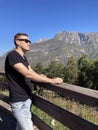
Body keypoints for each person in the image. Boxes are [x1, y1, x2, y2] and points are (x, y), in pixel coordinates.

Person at [5, 33, 63, 130]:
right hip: (19, 101)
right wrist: (51, 80)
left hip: (26, 98)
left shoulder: (23, 57)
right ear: (17, 42)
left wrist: (40, 76)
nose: (29, 43)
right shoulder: (12, 56)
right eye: (26, 41)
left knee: (20, 127)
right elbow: (28, 74)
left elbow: (30, 71)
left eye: (30, 41)